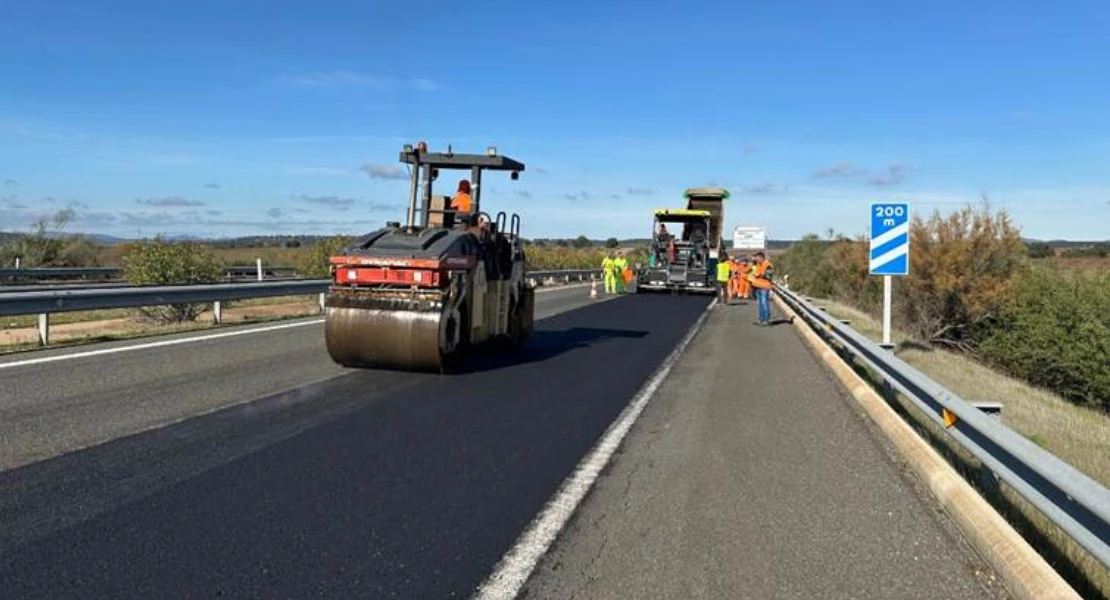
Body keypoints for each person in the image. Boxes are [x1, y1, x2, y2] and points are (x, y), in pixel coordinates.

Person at [750, 251, 775, 324]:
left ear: (761, 257)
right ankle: (761, 319)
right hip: (758, 286)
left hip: (765, 286)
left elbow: (769, 276)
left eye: (757, 259)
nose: (756, 260)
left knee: (764, 303)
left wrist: (760, 275)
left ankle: (767, 320)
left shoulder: (768, 265)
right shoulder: (759, 265)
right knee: (760, 304)